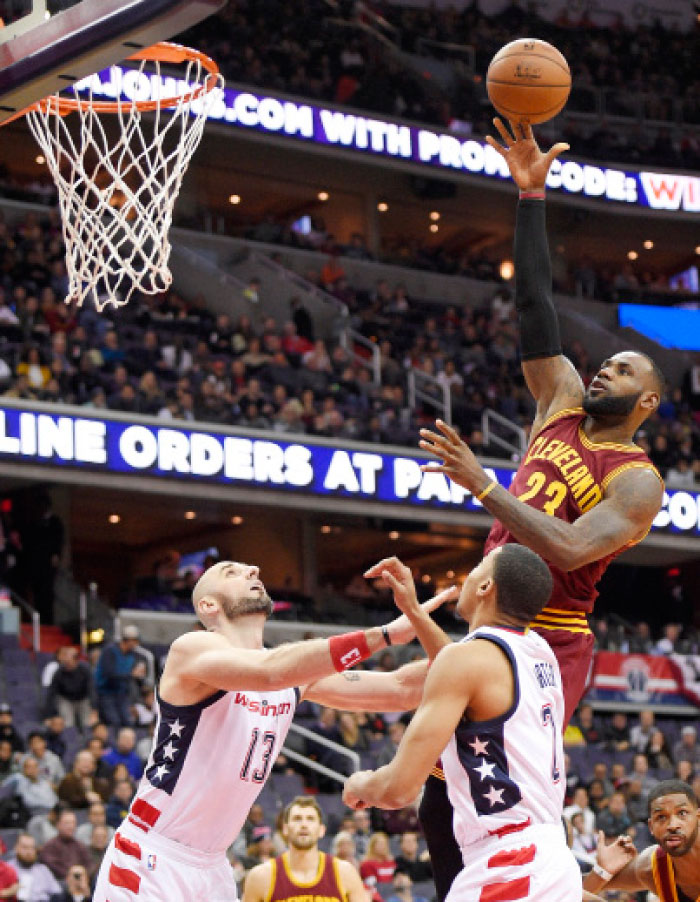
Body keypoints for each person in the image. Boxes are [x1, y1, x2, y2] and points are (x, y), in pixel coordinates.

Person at [416, 118, 665, 901]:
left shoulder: (637, 480)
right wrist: (530, 197)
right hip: (493, 622)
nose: (602, 370)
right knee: (441, 791)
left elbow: (565, 550)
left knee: (500, 793)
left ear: (647, 402)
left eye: (621, 369)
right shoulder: (556, 399)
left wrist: (487, 488)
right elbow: (534, 304)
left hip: (553, 640)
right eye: (602, 361)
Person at [93, 560, 455, 902]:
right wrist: (385, 635)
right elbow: (270, 670)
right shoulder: (192, 649)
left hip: (214, 866)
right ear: (207, 605)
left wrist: (479, 644)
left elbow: (400, 690)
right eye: (232, 572)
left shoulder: (292, 676)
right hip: (154, 854)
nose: (253, 569)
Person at [343, 544, 581, 902]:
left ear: (485, 587)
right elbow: (459, 666)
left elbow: (398, 789)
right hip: (550, 860)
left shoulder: (469, 660)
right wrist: (413, 611)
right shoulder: (537, 650)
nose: (467, 577)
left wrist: (361, 783)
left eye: (477, 568)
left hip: (510, 864)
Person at [582, 780, 700, 899]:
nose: (673, 825)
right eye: (661, 817)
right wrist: (602, 871)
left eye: (682, 813)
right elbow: (571, 889)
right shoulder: (651, 868)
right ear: (651, 827)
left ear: (698, 818)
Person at [242, 796, 365, 902]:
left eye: (310, 819)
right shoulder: (260, 877)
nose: (304, 824)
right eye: (297, 818)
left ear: (322, 830)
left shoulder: (345, 872)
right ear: (285, 828)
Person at [93, 628, 141, 727]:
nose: (136, 644)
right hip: (106, 693)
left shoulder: (132, 655)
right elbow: (109, 673)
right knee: (114, 722)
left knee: (128, 722)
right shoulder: (110, 651)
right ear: (128, 640)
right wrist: (131, 675)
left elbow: (130, 676)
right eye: (135, 641)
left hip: (122, 694)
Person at [7, 833, 61, 902]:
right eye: (25, 847)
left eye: (32, 848)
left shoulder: (43, 869)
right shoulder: (7, 869)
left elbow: (57, 892)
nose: (29, 852)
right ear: (16, 848)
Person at [39, 810, 91, 882]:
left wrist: (83, 874)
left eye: (73, 823)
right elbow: (52, 867)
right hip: (58, 882)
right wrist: (72, 874)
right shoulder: (50, 846)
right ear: (58, 824)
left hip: (82, 880)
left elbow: (89, 865)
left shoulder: (80, 845)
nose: (71, 826)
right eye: (67, 823)